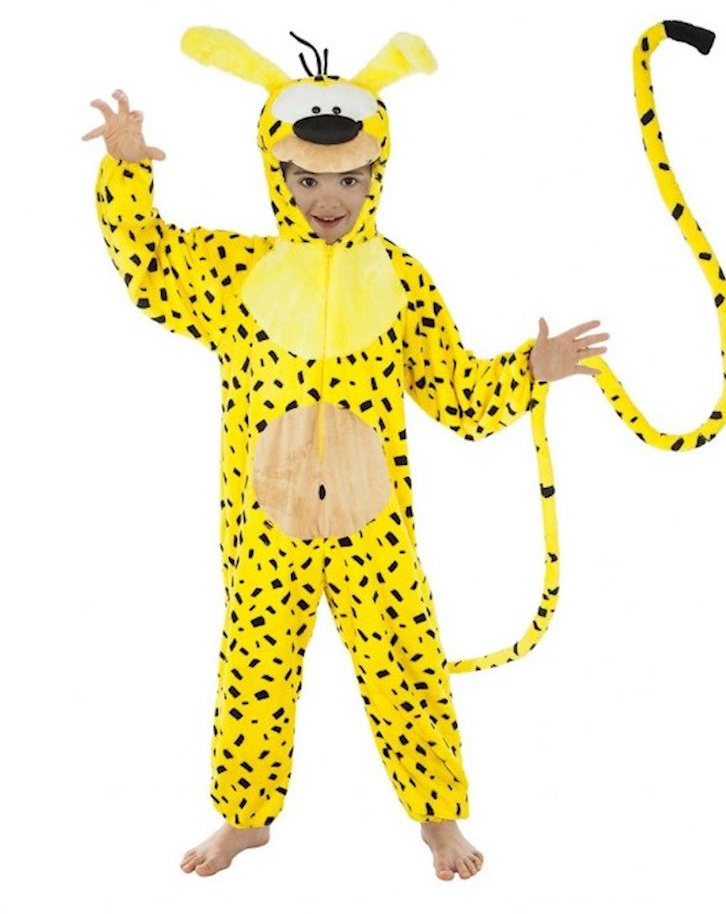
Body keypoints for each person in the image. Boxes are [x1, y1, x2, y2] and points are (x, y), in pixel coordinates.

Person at [83, 88, 609, 880]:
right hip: (268, 524)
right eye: (306, 180)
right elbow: (152, 267)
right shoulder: (237, 272)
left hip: (374, 527)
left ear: (376, 176)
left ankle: (439, 818)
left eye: (349, 180)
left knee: (408, 662)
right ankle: (244, 818)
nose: (327, 200)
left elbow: (456, 393)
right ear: (277, 176)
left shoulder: (400, 280)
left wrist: (529, 368)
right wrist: (126, 171)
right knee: (254, 669)